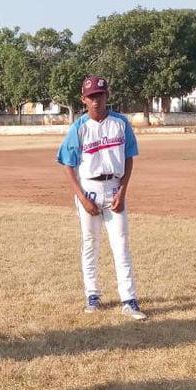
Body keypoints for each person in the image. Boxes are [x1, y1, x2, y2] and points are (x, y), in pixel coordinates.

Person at [56, 75, 147, 320]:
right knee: (90, 243)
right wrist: (82, 197)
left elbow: (128, 157)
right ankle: (92, 295)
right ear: (83, 99)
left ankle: (129, 299)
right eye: (91, 96)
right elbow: (67, 163)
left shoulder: (120, 123)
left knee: (121, 244)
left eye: (100, 95)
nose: (96, 100)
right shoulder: (79, 127)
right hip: (90, 188)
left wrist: (123, 190)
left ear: (107, 96)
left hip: (115, 188)